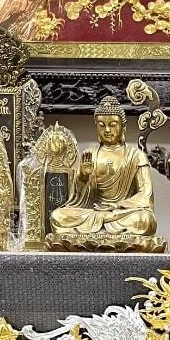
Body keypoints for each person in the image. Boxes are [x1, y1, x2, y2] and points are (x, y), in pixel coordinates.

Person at [50, 96, 156, 236]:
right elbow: (79, 201)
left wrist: (118, 205)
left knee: (145, 220)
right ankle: (107, 230)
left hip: (120, 213)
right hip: (94, 213)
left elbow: (146, 195)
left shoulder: (136, 156)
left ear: (123, 127)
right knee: (57, 216)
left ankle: (99, 230)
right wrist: (82, 177)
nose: (107, 130)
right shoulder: (90, 154)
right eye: (101, 125)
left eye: (112, 125)